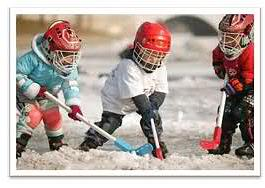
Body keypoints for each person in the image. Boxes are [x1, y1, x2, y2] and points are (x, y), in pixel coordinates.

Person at [79, 22, 171, 158]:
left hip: (143, 94)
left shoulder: (160, 67)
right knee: (110, 124)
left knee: (153, 117)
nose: (153, 60)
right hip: (117, 99)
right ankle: (89, 143)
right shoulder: (128, 66)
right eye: (149, 54)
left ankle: (156, 143)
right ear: (138, 48)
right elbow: (138, 97)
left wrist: (154, 106)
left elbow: (160, 90)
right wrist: (147, 110)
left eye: (158, 56)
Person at [16, 20, 83, 158]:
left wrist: (73, 104)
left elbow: (70, 84)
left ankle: (56, 143)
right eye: (65, 55)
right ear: (48, 48)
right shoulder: (32, 59)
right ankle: (17, 144)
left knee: (54, 116)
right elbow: (15, 73)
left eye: (72, 56)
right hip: (25, 94)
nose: (69, 60)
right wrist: (31, 87)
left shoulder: (68, 66)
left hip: (48, 96)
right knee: (32, 116)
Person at [208, 14, 254, 158]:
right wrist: (218, 67)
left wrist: (236, 84)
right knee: (225, 111)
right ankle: (222, 143)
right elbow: (216, 55)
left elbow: (249, 77)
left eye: (231, 37)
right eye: (224, 35)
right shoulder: (223, 48)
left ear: (245, 36)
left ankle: (253, 143)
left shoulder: (250, 52)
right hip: (234, 86)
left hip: (251, 89)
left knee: (243, 112)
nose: (225, 40)